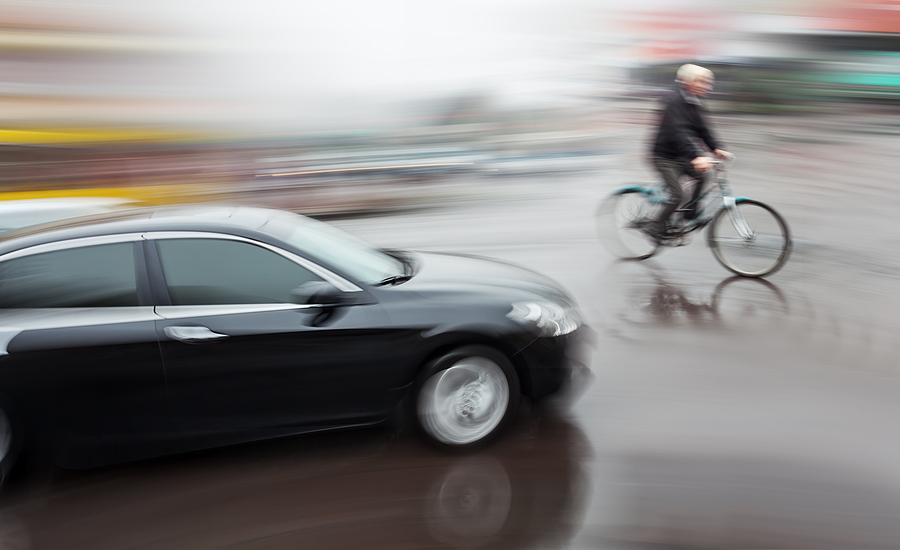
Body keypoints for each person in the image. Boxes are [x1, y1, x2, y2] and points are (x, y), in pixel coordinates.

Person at [649, 64, 732, 241]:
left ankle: (688, 214)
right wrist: (696, 157)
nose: (707, 87)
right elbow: (678, 132)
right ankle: (654, 226)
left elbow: (703, 128)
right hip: (663, 157)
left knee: (703, 177)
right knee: (678, 194)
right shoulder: (673, 101)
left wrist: (716, 148)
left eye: (708, 83)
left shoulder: (694, 102)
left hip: (680, 156)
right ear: (689, 82)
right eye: (702, 82)